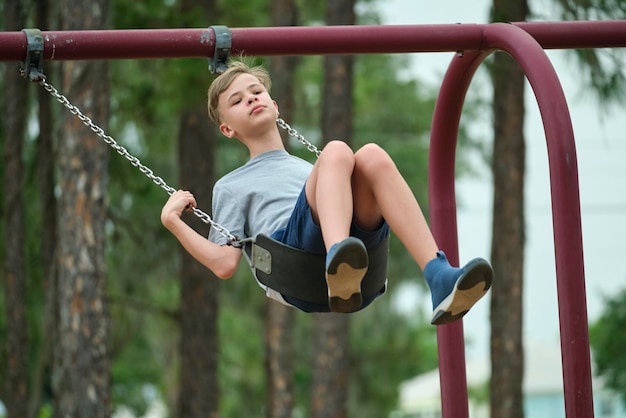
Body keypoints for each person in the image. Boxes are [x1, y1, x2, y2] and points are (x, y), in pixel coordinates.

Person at [161, 61, 493, 324]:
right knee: (336, 151)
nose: (250, 98)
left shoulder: (309, 170)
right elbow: (224, 264)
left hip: (350, 250)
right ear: (227, 128)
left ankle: (437, 276)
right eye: (236, 100)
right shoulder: (232, 185)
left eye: (256, 92)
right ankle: (339, 262)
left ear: (274, 106)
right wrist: (173, 220)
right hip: (294, 261)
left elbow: (337, 186)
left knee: (371, 155)